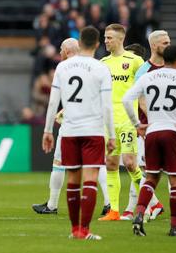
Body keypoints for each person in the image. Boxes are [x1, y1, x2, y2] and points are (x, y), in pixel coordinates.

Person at [42, 26, 116, 240]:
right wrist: (111, 135)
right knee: (90, 180)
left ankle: (75, 231)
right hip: (93, 130)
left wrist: (48, 130)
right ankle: (85, 229)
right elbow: (107, 106)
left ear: (80, 42)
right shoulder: (101, 68)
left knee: (73, 181)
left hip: (70, 130)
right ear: (96, 44)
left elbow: (53, 102)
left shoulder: (63, 67)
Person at [122, 45, 176, 237]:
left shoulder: (148, 77)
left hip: (152, 132)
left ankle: (139, 215)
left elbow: (126, 99)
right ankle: (175, 227)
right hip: (172, 132)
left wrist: (137, 124)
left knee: (151, 178)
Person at [99, 24, 145, 221]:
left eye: (109, 38)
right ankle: (114, 211)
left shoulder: (135, 61)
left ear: (120, 39)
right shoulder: (102, 63)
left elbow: (144, 91)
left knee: (130, 163)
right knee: (111, 164)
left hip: (128, 120)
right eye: (105, 37)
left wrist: (145, 118)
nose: (106, 41)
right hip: (108, 123)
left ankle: (149, 204)